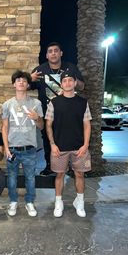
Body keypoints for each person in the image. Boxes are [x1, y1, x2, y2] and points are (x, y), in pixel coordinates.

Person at [30, 42, 85, 176]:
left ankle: (72, 166)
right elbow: (24, 86)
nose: (53, 53)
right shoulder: (40, 70)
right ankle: (49, 166)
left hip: (69, 111)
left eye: (56, 51)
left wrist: (73, 81)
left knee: (71, 136)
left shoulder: (70, 68)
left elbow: (82, 86)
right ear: (47, 55)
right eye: (50, 51)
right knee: (48, 139)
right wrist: (30, 78)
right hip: (47, 112)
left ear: (61, 53)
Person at [45, 69, 91, 218]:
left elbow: (87, 125)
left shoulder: (83, 102)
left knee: (80, 175)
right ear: (61, 84)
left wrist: (85, 145)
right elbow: (48, 125)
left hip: (79, 148)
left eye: (70, 80)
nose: (68, 83)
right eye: (64, 81)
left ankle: (80, 202)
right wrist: (52, 144)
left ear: (75, 83)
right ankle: (59, 203)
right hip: (59, 147)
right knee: (59, 175)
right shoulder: (54, 102)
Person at [2, 70, 44, 217]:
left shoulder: (36, 103)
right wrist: (6, 148)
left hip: (30, 148)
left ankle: (30, 202)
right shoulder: (7, 105)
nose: (21, 82)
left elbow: (41, 126)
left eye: (24, 81)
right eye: (18, 80)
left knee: (30, 177)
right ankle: (13, 201)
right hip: (12, 149)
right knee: (12, 178)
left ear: (28, 84)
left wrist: (37, 117)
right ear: (14, 84)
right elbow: (5, 127)